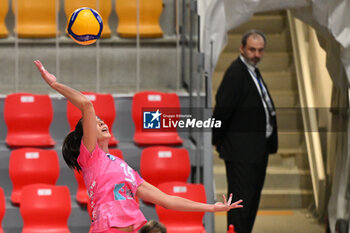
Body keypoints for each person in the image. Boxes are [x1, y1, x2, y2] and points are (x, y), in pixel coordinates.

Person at [34, 60, 243, 233]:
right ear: (86, 135)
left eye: (101, 120)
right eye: (95, 123)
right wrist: (55, 84)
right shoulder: (90, 157)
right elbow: (86, 105)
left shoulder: (125, 169)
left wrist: (212, 207)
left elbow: (168, 200)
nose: (101, 122)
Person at [212, 29, 278, 233]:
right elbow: (222, 110)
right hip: (242, 153)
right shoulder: (236, 73)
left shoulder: (252, 71)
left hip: (257, 150)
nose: (256, 54)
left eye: (260, 50)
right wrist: (219, 140)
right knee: (241, 205)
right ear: (242, 48)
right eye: (252, 50)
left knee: (250, 203)